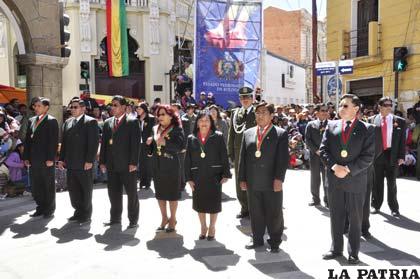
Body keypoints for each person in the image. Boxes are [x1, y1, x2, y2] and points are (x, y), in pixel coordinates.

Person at [320, 94, 375, 265]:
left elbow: (368, 156)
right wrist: (335, 167)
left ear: (356, 109)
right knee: (336, 216)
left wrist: (348, 170)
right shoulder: (331, 126)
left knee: (355, 218)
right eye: (340, 105)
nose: (340, 108)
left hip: (355, 180)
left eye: (345, 106)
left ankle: (353, 252)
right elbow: (323, 151)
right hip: (335, 179)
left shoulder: (368, 129)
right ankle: (336, 249)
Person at [238, 102, 288, 253]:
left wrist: (279, 179)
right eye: (258, 112)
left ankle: (274, 241)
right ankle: (257, 238)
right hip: (253, 180)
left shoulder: (280, 133)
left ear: (271, 116)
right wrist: (242, 178)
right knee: (255, 211)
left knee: (274, 211)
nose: (260, 115)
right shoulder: (248, 133)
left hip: (272, 181)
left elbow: (282, 159)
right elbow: (243, 158)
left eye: (264, 112)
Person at [185, 111, 231, 240]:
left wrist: (226, 173)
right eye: (201, 120)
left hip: (214, 175)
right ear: (197, 123)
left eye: (206, 120)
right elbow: (187, 159)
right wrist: (188, 178)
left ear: (211, 123)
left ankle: (212, 227)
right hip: (197, 175)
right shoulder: (191, 137)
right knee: (200, 203)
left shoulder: (218, 136)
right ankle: (203, 226)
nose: (204, 123)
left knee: (213, 203)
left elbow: (223, 155)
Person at [99, 95, 140, 229]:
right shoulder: (107, 123)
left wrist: (134, 163)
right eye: (112, 105)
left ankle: (133, 220)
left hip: (128, 165)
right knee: (113, 193)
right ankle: (115, 218)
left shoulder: (132, 122)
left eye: (116, 105)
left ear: (124, 107)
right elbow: (104, 144)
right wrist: (102, 162)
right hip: (112, 165)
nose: (112, 107)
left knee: (131, 193)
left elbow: (135, 145)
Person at [58, 98, 99, 224]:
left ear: (83, 109)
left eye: (75, 107)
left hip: (83, 163)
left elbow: (93, 143)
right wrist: (61, 160)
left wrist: (89, 160)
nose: (72, 109)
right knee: (73, 190)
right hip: (70, 163)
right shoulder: (67, 122)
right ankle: (77, 211)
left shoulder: (90, 122)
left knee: (85, 190)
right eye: (71, 107)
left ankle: (86, 214)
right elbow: (64, 143)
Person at [147, 105, 185, 232]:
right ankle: (164, 218)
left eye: (163, 114)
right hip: (157, 165)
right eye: (159, 114)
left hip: (172, 165)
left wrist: (166, 143)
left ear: (170, 115)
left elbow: (181, 147)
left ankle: (173, 219)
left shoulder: (176, 129)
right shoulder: (155, 128)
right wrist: (150, 142)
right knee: (160, 194)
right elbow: (152, 149)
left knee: (172, 195)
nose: (160, 117)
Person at [23, 97, 59, 218]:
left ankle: (49, 209)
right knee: (36, 185)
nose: (35, 108)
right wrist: (26, 157)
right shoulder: (31, 120)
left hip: (45, 160)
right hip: (33, 159)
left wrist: (50, 158)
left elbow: (53, 141)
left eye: (38, 106)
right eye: (35, 106)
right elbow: (27, 140)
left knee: (47, 185)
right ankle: (40, 207)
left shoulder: (51, 121)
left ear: (46, 107)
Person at [370, 97, 406, 216]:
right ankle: (376, 205)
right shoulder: (372, 120)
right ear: (379, 107)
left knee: (392, 183)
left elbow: (402, 141)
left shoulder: (399, 121)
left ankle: (394, 208)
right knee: (376, 183)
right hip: (378, 155)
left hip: (393, 155)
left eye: (390, 105)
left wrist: (401, 156)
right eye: (386, 105)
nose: (389, 107)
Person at [228, 86, 256, 219]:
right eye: (242, 98)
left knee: (253, 180)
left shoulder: (258, 112)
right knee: (240, 181)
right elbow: (231, 134)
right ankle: (244, 207)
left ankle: (254, 208)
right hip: (239, 152)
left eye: (247, 97)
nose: (245, 100)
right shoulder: (235, 113)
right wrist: (230, 153)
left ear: (252, 98)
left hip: (254, 153)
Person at [305, 104, 329, 207]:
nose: (325, 112)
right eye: (323, 110)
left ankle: (327, 200)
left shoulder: (331, 124)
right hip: (314, 156)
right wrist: (316, 150)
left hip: (327, 156)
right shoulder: (310, 124)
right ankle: (315, 199)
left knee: (327, 179)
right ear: (317, 112)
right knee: (315, 178)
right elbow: (307, 140)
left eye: (326, 111)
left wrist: (324, 151)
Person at [136, 102, 155, 189]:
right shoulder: (136, 119)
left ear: (144, 109)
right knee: (141, 163)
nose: (137, 110)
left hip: (148, 143)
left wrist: (151, 137)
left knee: (148, 163)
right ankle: (142, 181)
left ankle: (147, 182)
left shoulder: (151, 118)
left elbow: (155, 130)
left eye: (139, 109)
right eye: (137, 109)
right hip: (139, 144)